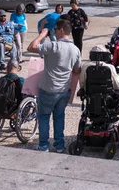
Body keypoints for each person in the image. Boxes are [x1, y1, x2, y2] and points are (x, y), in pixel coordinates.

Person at [27, 19, 81, 153]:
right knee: (59, 117)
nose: (54, 32)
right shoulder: (75, 50)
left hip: (48, 88)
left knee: (44, 116)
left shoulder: (53, 46)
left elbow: (31, 47)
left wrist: (42, 34)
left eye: (55, 29)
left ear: (61, 30)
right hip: (64, 90)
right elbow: (76, 71)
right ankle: (59, 146)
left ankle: (44, 145)